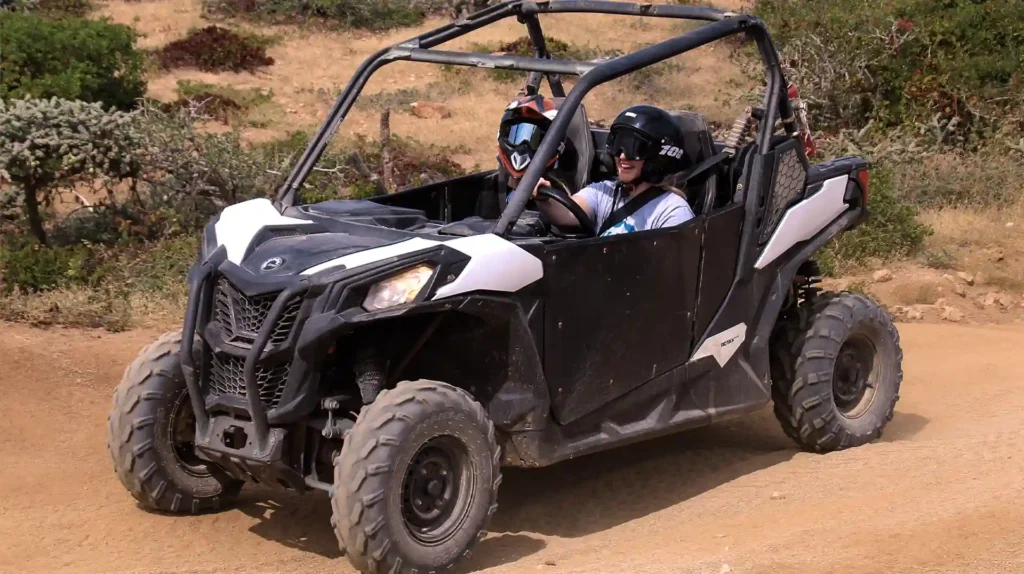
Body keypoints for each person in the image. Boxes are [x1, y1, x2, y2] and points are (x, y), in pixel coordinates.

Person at [532, 104, 695, 237]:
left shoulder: (672, 212)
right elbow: (566, 213)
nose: (622, 156)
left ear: (657, 157)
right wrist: (543, 197)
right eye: (618, 145)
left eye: (634, 148)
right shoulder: (605, 192)